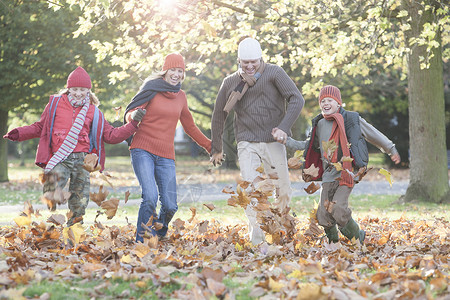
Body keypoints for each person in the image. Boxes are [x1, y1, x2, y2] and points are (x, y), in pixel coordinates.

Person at [3, 66, 145, 226]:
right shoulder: (55, 105)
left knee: (80, 201)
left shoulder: (94, 112)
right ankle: (53, 200)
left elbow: (111, 135)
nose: (78, 93)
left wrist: (133, 124)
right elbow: (40, 127)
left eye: (83, 90)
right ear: (68, 88)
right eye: (75, 89)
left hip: (82, 161)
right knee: (51, 184)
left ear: (88, 91)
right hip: (60, 157)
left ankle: (74, 230)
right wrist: (19, 133)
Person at [210, 37, 305, 245]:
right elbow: (219, 114)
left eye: (254, 61)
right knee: (251, 190)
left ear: (261, 58)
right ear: (239, 61)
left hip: (273, 141)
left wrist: (283, 127)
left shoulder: (275, 73)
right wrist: (216, 148)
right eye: (246, 63)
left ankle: (280, 231)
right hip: (246, 141)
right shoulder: (230, 82)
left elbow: (297, 99)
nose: (250, 66)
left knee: (283, 188)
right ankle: (257, 238)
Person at [283, 85, 401, 244]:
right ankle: (333, 244)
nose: (325, 103)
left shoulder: (351, 119)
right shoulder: (319, 123)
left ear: (338, 103)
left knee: (338, 209)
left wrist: (391, 149)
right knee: (323, 215)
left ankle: (357, 237)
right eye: (322, 100)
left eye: (329, 100)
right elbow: (309, 145)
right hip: (328, 174)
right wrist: (288, 141)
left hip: (347, 172)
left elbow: (373, 134)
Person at [124, 53, 211, 243]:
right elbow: (130, 112)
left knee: (171, 205)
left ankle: (159, 233)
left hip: (165, 155)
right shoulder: (151, 89)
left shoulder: (181, 97)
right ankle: (143, 240)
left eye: (180, 71)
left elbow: (190, 127)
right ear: (165, 71)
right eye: (173, 70)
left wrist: (209, 146)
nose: (176, 74)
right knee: (150, 197)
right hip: (142, 149)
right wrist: (134, 116)